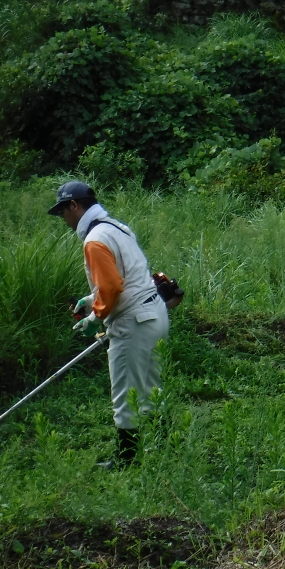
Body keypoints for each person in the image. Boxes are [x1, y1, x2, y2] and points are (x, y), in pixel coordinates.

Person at [48, 181, 168, 468]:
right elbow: (127, 277)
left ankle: (128, 460)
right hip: (155, 314)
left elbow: (113, 287)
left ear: (74, 206)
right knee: (152, 387)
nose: (64, 218)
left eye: (64, 211)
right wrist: (91, 300)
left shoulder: (94, 240)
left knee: (126, 391)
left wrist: (95, 318)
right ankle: (166, 449)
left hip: (133, 323)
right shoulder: (116, 227)